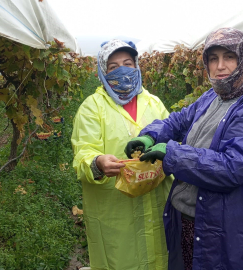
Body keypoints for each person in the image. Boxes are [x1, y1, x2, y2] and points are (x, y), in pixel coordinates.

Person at [125, 28, 243, 270]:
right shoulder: (214, 96)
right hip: (196, 218)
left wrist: (171, 153)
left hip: (231, 227)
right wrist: (151, 136)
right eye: (213, 58)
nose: (220, 66)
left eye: (229, 57)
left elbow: (232, 167)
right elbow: (179, 120)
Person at [71, 39, 172, 270]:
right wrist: (97, 163)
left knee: (160, 258)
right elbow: (83, 153)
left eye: (128, 63)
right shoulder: (92, 107)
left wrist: (167, 149)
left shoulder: (154, 103)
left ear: (137, 67)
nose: (123, 71)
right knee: (120, 260)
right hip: (115, 211)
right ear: (102, 72)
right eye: (114, 67)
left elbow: (172, 136)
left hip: (156, 201)